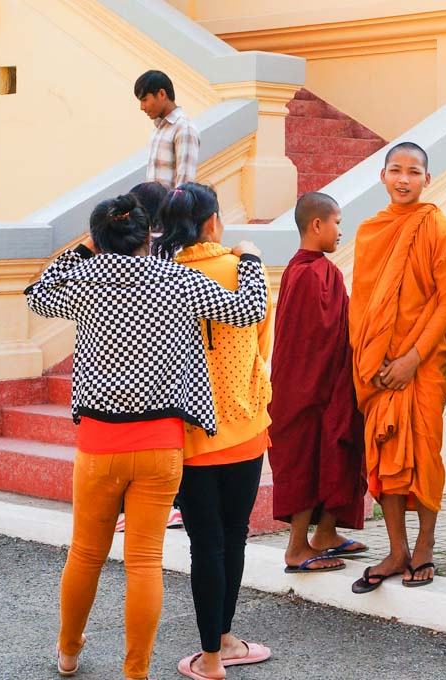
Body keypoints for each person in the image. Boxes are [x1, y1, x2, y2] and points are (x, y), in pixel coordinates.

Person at [25, 193, 267, 680]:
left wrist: (85, 250)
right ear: (147, 234)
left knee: (87, 553)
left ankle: (69, 653)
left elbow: (37, 291)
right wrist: (253, 261)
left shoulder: (85, 281)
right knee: (144, 562)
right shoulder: (178, 279)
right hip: (161, 442)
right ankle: (135, 671)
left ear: (100, 238)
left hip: (99, 440)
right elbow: (248, 309)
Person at [152, 183, 273, 680]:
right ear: (214, 222)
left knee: (205, 544)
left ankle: (213, 658)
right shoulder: (245, 273)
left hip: (188, 434)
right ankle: (224, 637)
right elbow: (262, 343)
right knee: (235, 536)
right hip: (246, 427)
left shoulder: (159, 280)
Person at [348, 142, 446, 592]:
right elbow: (363, 302)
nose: (403, 179)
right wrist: (371, 361)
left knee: (424, 454)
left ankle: (425, 546)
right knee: (384, 455)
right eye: (395, 170)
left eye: (413, 172)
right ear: (382, 176)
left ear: (426, 180)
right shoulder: (370, 231)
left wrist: (412, 359)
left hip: (423, 362)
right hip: (380, 367)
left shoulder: (436, 227)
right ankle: (397, 549)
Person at [268, 191, 368, 575]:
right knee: (308, 459)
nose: (340, 231)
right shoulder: (307, 274)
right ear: (316, 225)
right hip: (307, 391)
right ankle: (296, 548)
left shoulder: (324, 270)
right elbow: (312, 340)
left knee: (340, 454)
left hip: (331, 384)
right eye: (337, 223)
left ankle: (325, 534)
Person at [136, 70, 200, 189]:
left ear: (162, 94)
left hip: (169, 207)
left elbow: (184, 186)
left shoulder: (184, 128)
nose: (142, 107)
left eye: (144, 100)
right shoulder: (159, 129)